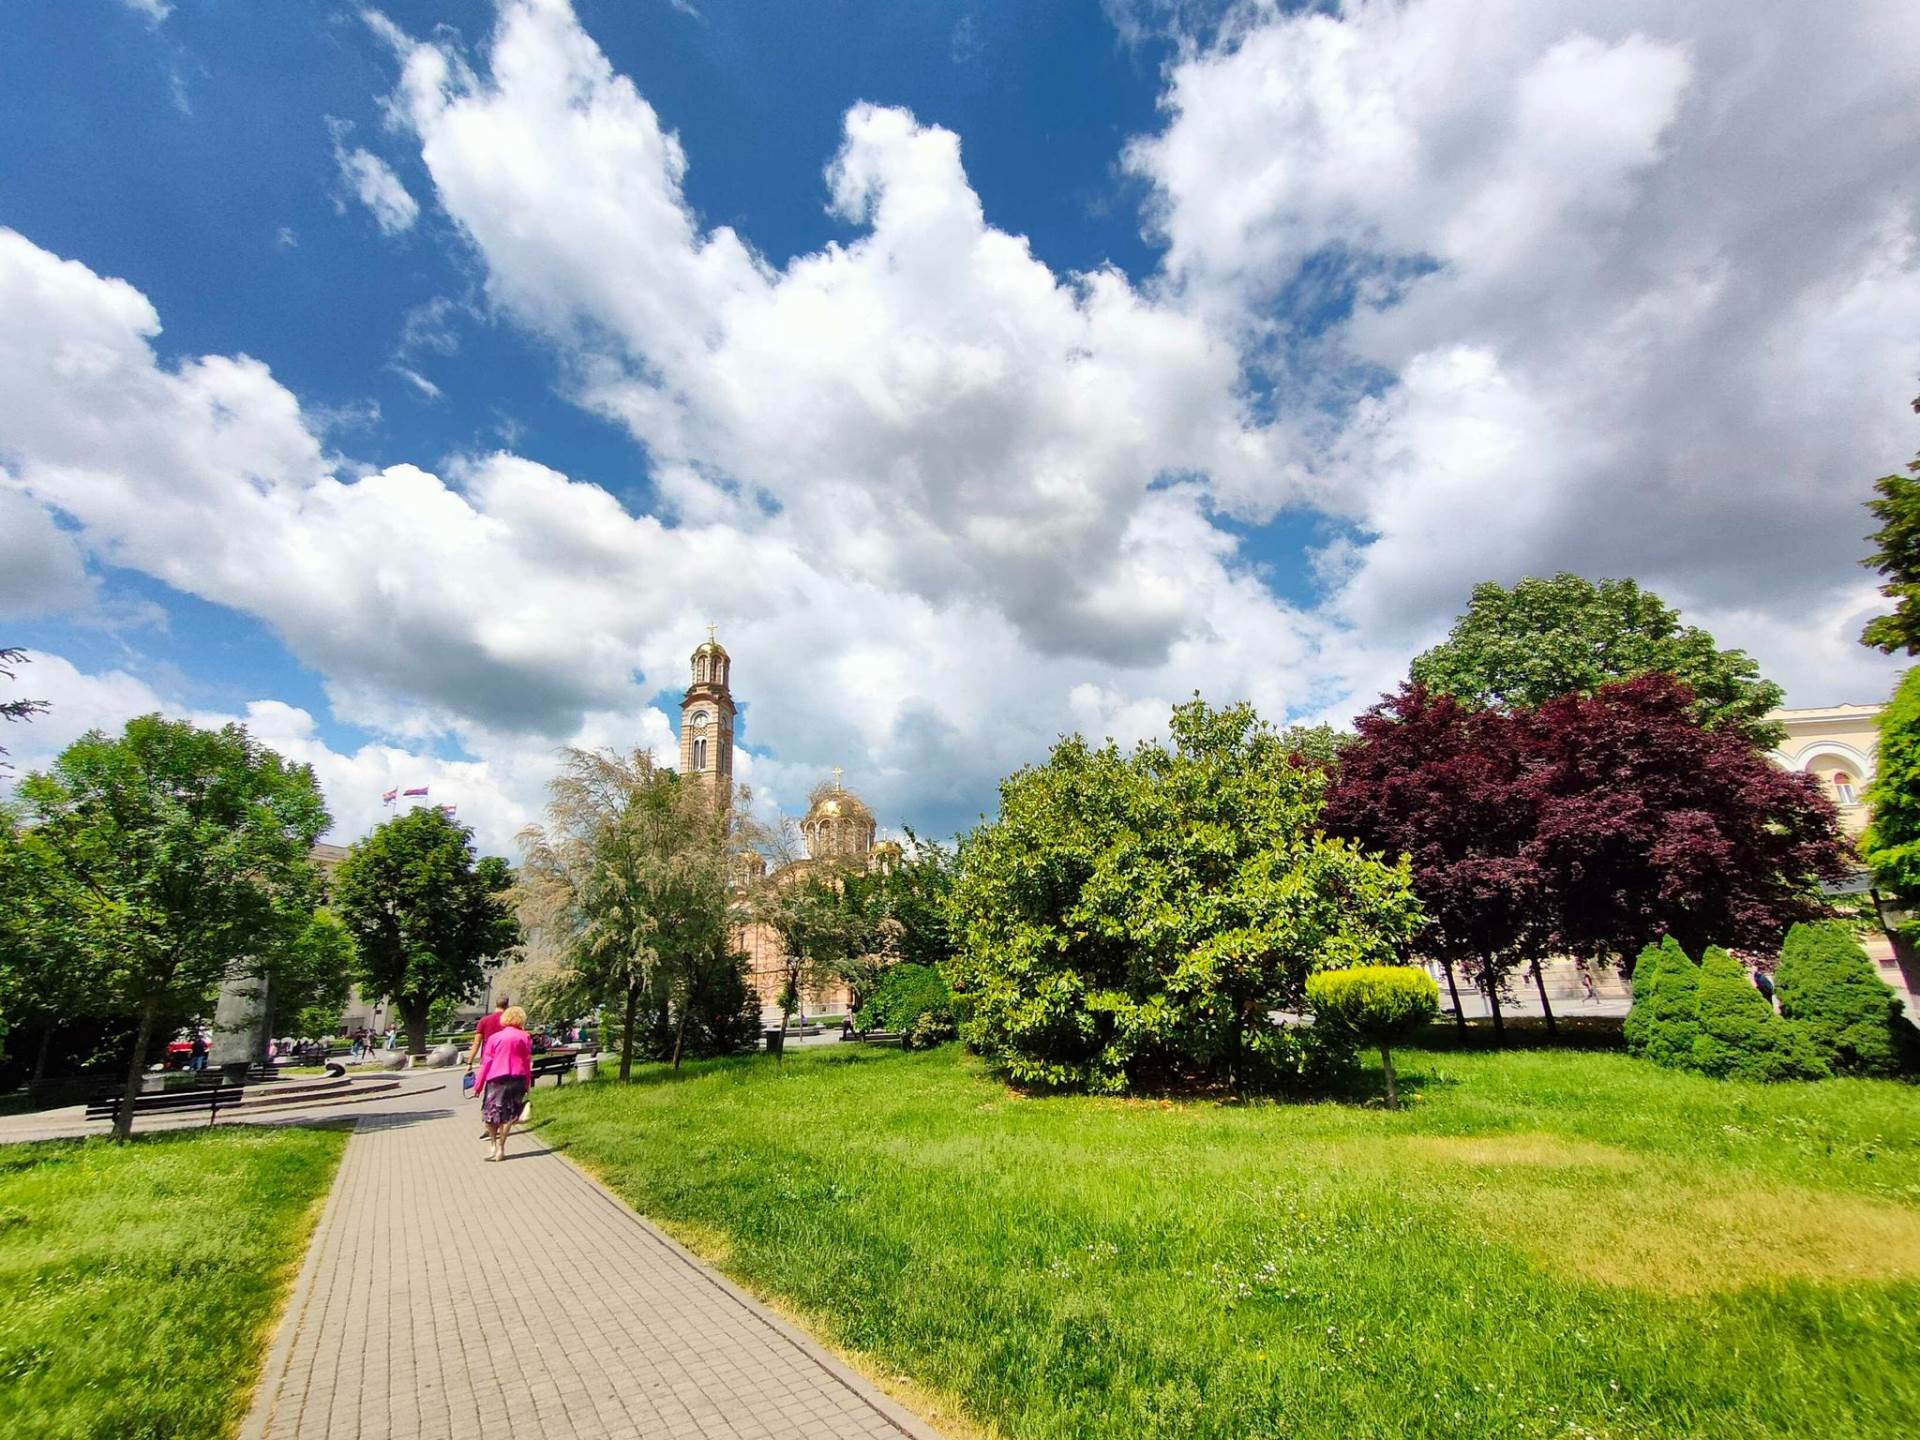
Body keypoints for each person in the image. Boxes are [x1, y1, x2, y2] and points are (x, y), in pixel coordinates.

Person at [472, 1005, 533, 1162]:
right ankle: (501, 1148)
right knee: (509, 1115)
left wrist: (478, 1085)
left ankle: (492, 1144)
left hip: (496, 1079)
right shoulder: (525, 1037)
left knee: (490, 1114)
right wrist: (527, 1083)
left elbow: (486, 1063)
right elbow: (527, 1062)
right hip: (517, 1079)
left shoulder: (494, 1038)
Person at [468, 995, 511, 1139]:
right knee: (505, 1095)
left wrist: (469, 1062)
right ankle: (502, 1124)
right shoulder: (509, 1021)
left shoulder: (484, 1021)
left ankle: (489, 1125)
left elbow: (476, 1043)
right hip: (507, 1063)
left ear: (495, 1004)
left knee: (489, 1095)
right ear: (507, 1005)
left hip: (489, 1063)